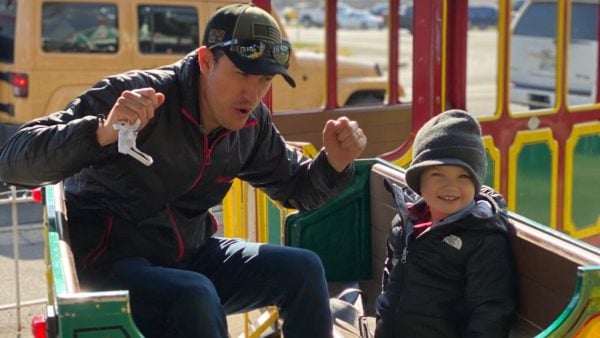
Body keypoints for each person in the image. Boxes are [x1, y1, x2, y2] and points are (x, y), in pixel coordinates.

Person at [0, 4, 367, 338]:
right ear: (206, 61)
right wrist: (101, 132)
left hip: (190, 254)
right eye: (242, 73)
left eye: (265, 80)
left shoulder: (251, 124)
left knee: (303, 269)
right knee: (195, 294)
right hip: (108, 263)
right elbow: (12, 156)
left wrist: (334, 161)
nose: (252, 94)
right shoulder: (136, 96)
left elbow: (298, 189)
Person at [375, 110, 517, 337]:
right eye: (437, 174)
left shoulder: (483, 239)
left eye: (463, 176)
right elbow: (390, 279)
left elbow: (491, 312)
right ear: (418, 181)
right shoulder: (405, 223)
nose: (451, 186)